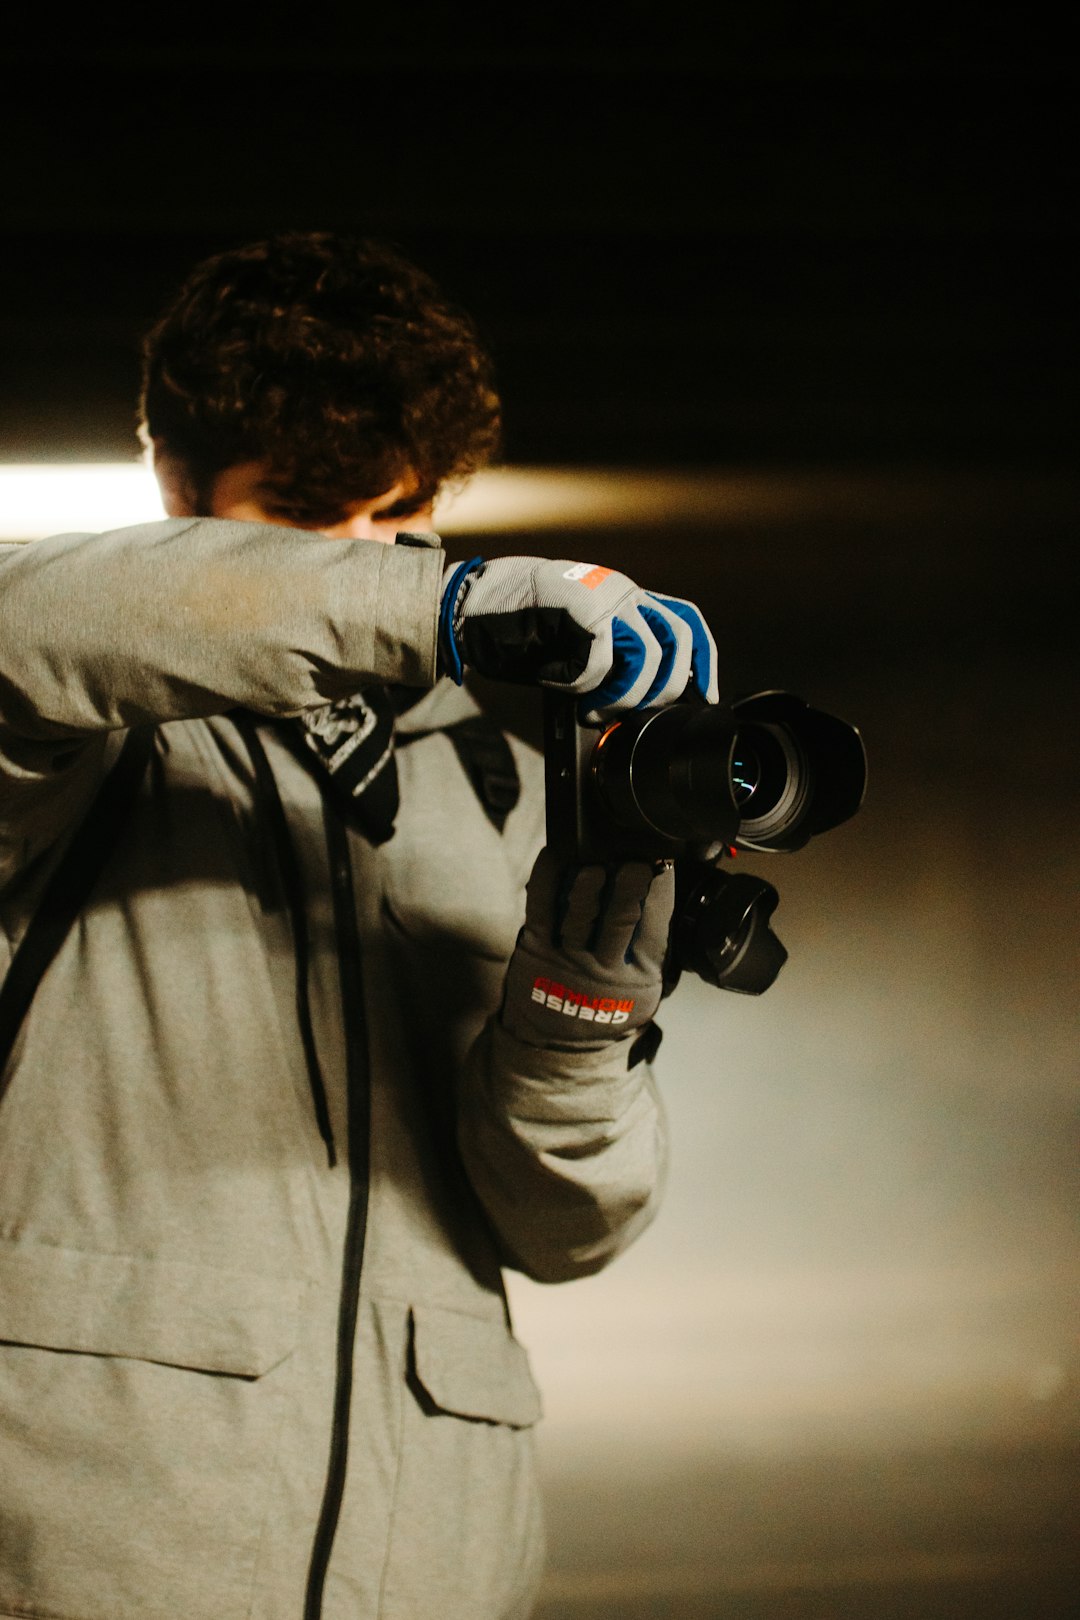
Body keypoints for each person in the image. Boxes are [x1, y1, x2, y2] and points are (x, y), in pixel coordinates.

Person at [0, 232, 717, 1620]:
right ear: (172, 481)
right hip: (100, 1555)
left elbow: (560, 1232)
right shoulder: (79, 737)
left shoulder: (486, 773)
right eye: (304, 512)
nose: (354, 560)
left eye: (397, 522)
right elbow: (38, 621)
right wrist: (431, 607)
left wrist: (575, 1026)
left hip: (434, 1566)